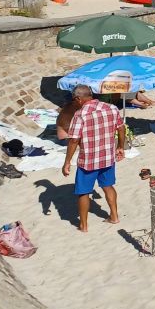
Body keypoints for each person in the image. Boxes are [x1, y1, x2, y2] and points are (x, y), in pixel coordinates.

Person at [60, 86, 123, 233]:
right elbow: (120, 128)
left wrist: (67, 161)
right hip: (107, 157)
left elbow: (74, 140)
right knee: (108, 186)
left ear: (78, 99)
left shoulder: (80, 114)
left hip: (88, 160)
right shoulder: (111, 108)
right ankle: (114, 216)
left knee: (84, 192)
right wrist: (120, 146)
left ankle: (83, 225)